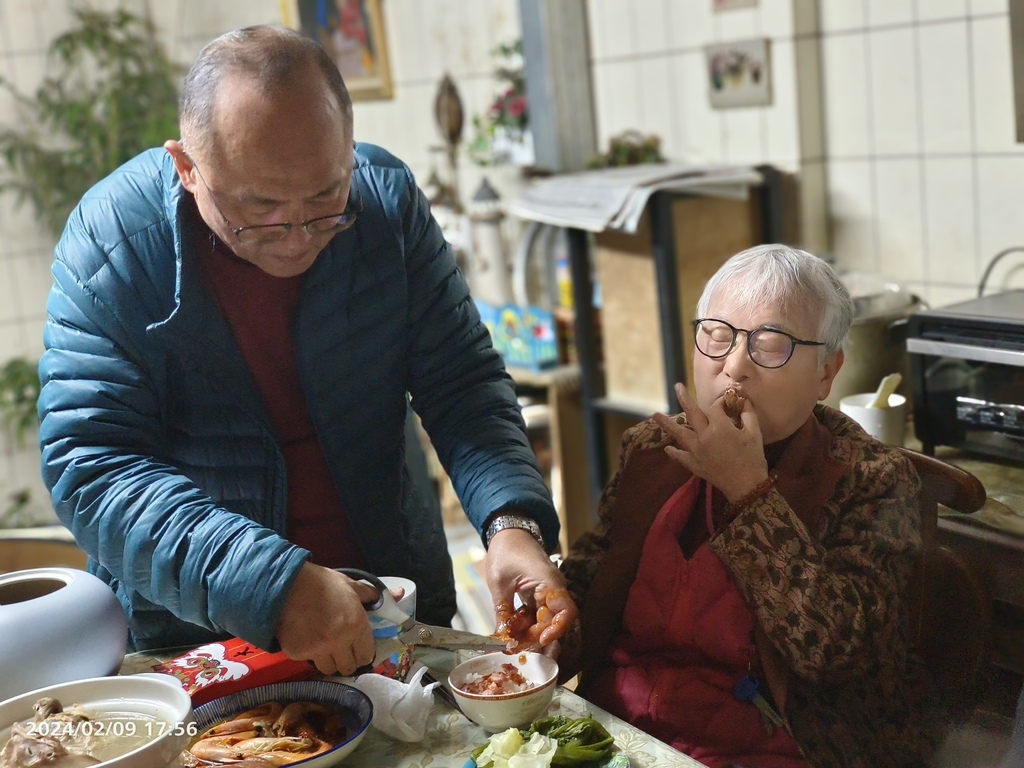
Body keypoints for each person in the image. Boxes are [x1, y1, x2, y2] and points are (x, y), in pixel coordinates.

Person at [36, 25, 575, 676]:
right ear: (186, 167)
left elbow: (461, 382)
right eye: (259, 210)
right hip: (200, 636)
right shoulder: (115, 244)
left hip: (391, 605)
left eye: (325, 200)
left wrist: (510, 521)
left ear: (349, 149)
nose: (296, 238)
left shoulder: (386, 204)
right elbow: (93, 464)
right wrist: (270, 581)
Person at [558, 244, 937, 767]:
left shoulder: (873, 479)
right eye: (718, 335)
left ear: (827, 371)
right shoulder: (651, 447)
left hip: (773, 745)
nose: (734, 367)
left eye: (771, 345)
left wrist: (749, 492)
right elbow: (588, 579)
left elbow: (833, 652)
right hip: (616, 730)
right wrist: (551, 624)